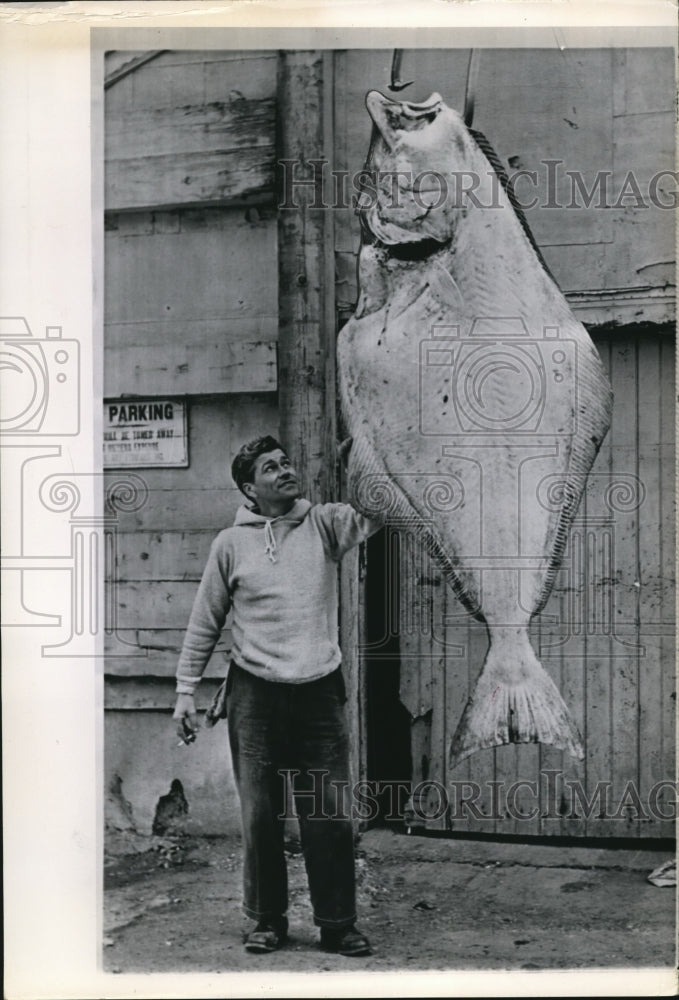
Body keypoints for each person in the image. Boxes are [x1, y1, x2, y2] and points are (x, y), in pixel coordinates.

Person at [172, 434, 384, 957]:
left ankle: (337, 923)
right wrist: (184, 692)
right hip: (254, 694)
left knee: (329, 813)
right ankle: (267, 920)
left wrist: (361, 460)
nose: (285, 471)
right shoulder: (230, 544)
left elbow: (376, 511)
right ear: (250, 488)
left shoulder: (325, 524)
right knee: (261, 815)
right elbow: (205, 623)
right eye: (271, 468)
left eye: (286, 463)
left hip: (318, 693)